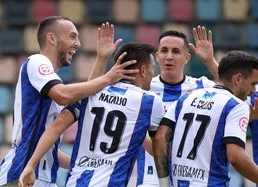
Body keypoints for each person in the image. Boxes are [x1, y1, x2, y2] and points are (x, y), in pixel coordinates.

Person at [0, 16, 138, 187]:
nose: (78, 44)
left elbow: (83, 99)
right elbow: (64, 95)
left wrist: (101, 59)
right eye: (72, 36)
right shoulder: (37, 61)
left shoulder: (52, 84)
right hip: (21, 173)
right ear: (51, 38)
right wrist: (108, 78)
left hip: (45, 177)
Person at [18, 42, 165, 187]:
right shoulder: (150, 101)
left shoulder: (91, 93)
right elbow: (157, 150)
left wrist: (31, 165)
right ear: (143, 71)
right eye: (152, 69)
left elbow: (57, 124)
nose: (153, 74)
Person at [153, 50, 258, 186]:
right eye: (253, 83)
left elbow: (160, 138)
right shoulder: (236, 105)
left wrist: (163, 182)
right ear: (238, 79)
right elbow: (236, 157)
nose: (254, 90)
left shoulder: (186, 98)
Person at [136, 26, 218, 187]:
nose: (169, 57)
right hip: (150, 179)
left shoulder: (202, 86)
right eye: (164, 51)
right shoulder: (142, 88)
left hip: (191, 178)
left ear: (187, 58)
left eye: (176, 51)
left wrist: (210, 61)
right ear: (157, 56)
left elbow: (234, 91)